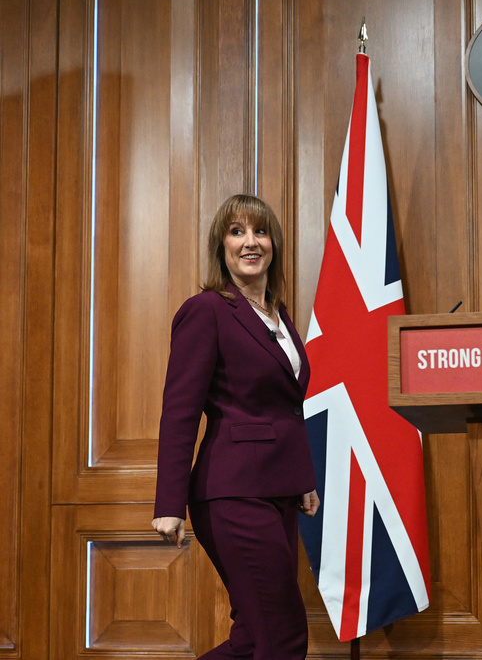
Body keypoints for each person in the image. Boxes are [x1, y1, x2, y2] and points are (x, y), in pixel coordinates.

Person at [152, 193, 320, 660]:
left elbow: (284, 408)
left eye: (260, 231)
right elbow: (180, 410)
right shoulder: (206, 310)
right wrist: (169, 503)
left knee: (255, 637)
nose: (250, 242)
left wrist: (302, 478)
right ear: (221, 246)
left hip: (279, 490)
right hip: (232, 493)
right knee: (284, 637)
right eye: (237, 231)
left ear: (274, 244)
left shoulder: (280, 317)